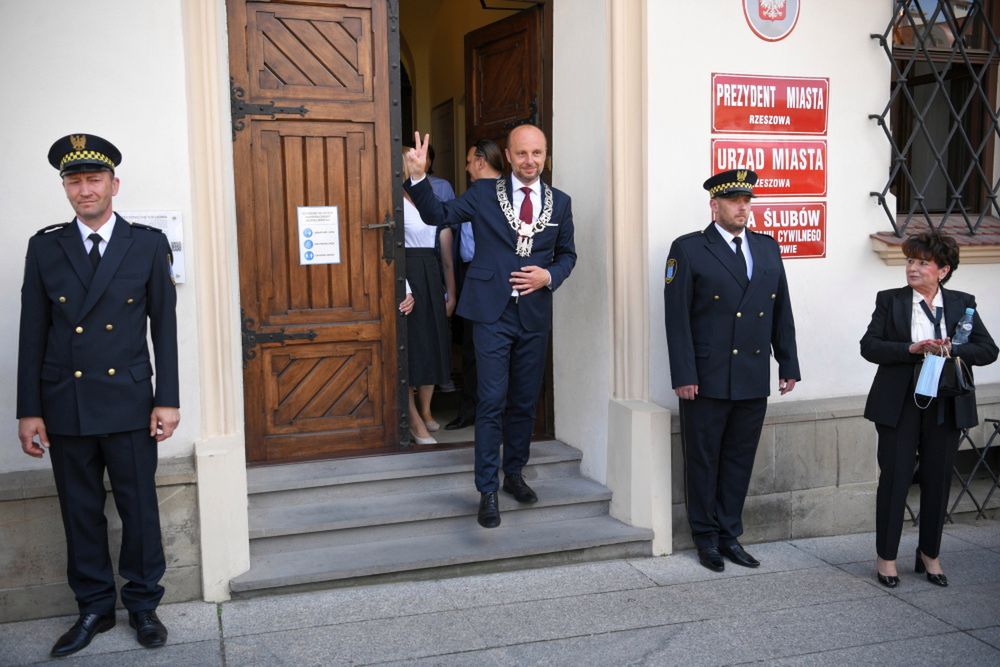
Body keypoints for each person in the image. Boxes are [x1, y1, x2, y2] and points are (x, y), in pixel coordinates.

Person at [17, 134, 179, 657]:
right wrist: (29, 410)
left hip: (130, 402)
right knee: (79, 510)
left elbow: (165, 329)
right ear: (65, 186)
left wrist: (167, 398)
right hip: (66, 402)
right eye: (74, 181)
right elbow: (32, 332)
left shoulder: (147, 243)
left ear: (114, 185)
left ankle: (143, 605)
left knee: (139, 509)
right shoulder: (45, 245)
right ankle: (93, 608)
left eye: (93, 180)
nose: (84, 190)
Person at [403, 125, 576, 528]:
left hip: (533, 315)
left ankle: (513, 474)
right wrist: (418, 176)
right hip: (490, 314)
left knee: (523, 400)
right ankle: (487, 490)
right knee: (492, 400)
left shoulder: (561, 203)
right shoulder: (483, 194)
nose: (529, 161)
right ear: (509, 156)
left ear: (545, 154)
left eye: (537, 153)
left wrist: (548, 277)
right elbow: (437, 215)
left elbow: (568, 254)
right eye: (521, 154)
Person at [663, 169, 800, 572]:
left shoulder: (767, 248)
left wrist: (788, 362)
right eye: (735, 201)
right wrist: (683, 374)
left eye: (747, 201)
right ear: (714, 205)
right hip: (706, 376)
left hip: (752, 373)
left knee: (739, 459)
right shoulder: (689, 250)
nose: (743, 207)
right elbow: (677, 319)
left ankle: (729, 534)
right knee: (704, 459)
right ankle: (705, 537)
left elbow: (781, 310)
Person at [860, 231, 997, 588]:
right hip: (899, 400)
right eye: (910, 261)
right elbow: (869, 346)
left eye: (922, 262)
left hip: (946, 400)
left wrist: (952, 350)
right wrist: (911, 348)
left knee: (938, 478)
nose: (913, 268)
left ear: (943, 270)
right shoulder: (890, 301)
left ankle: (929, 554)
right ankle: (886, 557)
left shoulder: (963, 303)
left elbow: (988, 350)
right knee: (895, 478)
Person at [444, 139, 505, 432]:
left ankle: (498, 415)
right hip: (469, 274)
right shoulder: (470, 197)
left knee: (498, 351)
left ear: (481, 161)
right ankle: (469, 410)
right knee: (470, 347)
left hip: (499, 279)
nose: (466, 166)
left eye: (469, 160)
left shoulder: (508, 197)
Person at [402, 150, 453, 444]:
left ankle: (426, 411)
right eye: (409, 160)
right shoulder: (392, 197)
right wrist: (404, 286)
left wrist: (451, 290)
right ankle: (412, 420)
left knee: (432, 342)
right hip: (408, 272)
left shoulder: (429, 195)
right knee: (412, 346)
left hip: (430, 271)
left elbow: (444, 242)